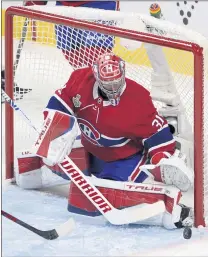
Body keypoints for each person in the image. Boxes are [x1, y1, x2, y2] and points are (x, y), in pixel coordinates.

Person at [15, 52, 194, 229]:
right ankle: (45, 173)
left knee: (105, 196)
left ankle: (166, 211)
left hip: (125, 158)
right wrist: (55, 129)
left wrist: (160, 158)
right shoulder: (80, 79)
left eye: (117, 82)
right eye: (108, 84)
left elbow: (158, 134)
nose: (114, 88)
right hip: (91, 149)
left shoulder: (138, 99)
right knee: (51, 153)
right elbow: (60, 101)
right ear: (96, 77)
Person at [25, 1, 120, 69]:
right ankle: (85, 87)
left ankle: (98, 89)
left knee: (96, 56)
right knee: (72, 57)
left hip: (98, 4)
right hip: (64, 5)